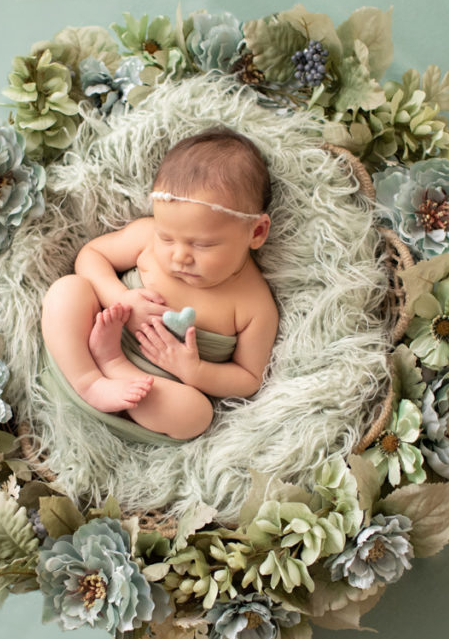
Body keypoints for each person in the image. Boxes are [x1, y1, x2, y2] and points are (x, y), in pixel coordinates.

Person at [40, 127, 278, 440]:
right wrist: (120, 299)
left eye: (203, 245)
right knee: (67, 290)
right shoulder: (147, 237)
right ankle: (90, 381)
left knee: (197, 414)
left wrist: (194, 371)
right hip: (83, 352)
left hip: (153, 395)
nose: (180, 256)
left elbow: (249, 378)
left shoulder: (254, 305)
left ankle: (114, 366)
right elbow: (91, 255)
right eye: (167, 237)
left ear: (256, 233)